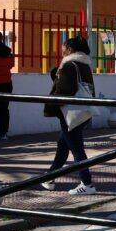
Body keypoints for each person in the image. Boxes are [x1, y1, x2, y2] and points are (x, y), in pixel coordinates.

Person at [43, 35, 96, 194]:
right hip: (80, 111)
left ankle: (87, 184)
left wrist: (52, 103)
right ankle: (50, 177)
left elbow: (66, 89)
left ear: (70, 49)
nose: (61, 51)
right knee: (63, 145)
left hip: (69, 112)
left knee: (77, 149)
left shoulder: (69, 64)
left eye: (63, 48)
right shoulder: (84, 64)